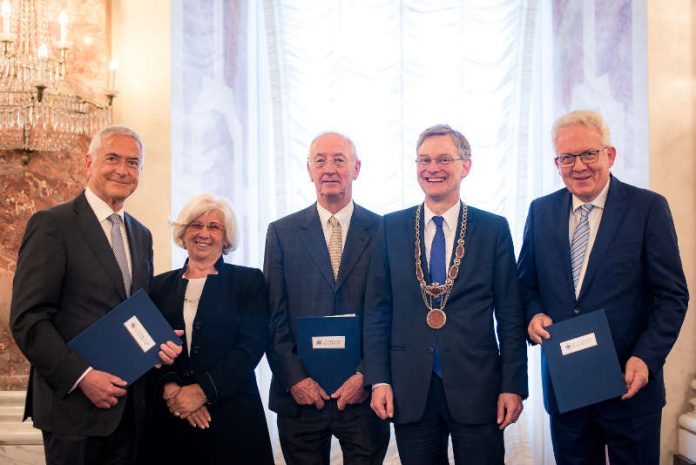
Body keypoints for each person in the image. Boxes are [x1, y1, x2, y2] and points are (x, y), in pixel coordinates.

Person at [517, 109, 689, 465]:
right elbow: (525, 285)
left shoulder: (648, 208)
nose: (579, 166)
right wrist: (532, 315)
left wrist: (646, 357)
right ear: (557, 162)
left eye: (589, 154)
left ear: (609, 155)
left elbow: (672, 296)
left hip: (631, 386)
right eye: (568, 157)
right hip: (567, 388)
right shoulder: (541, 211)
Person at [10, 126, 183, 465]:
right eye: (113, 159)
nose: (122, 170)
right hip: (72, 411)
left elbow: (131, 313)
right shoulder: (52, 224)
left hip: (130, 412)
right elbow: (28, 319)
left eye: (133, 163)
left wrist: (156, 345)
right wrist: (83, 376)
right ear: (89, 163)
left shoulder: (141, 235)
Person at [363, 124, 528, 465]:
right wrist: (378, 379)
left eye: (443, 159)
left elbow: (511, 315)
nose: (432, 168)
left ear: (465, 166)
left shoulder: (493, 229)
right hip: (410, 388)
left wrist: (513, 385)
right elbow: (377, 312)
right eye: (424, 160)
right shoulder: (390, 227)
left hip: (478, 387)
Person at [264, 132, 390, 465]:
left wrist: (367, 376)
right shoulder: (281, 233)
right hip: (301, 397)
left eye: (339, 160)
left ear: (357, 168)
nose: (329, 169)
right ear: (309, 169)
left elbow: (390, 313)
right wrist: (295, 378)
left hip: (363, 397)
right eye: (320, 160)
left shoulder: (385, 231)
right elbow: (273, 317)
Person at [138, 193, 274, 465]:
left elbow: (251, 347)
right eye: (195, 225)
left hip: (232, 419)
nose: (204, 233)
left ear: (226, 238)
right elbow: (147, 344)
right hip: (169, 419)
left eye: (213, 227)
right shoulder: (157, 287)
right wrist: (172, 389)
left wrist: (201, 391)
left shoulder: (248, 282)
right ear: (184, 232)